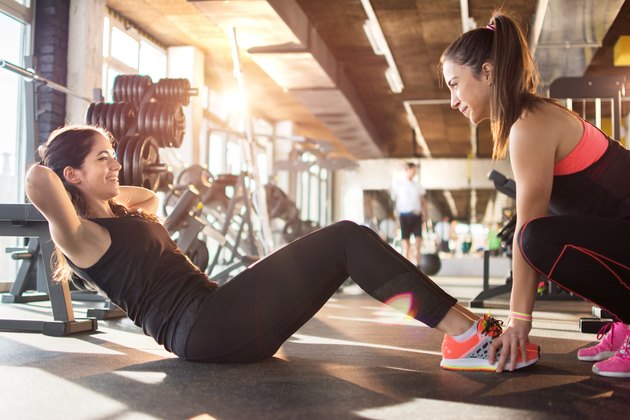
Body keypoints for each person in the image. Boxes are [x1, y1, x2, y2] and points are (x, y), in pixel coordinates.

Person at [25, 124, 539, 370]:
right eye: (102, 158)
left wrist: (98, 177)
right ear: (70, 174)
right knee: (344, 237)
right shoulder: (78, 235)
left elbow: (150, 194)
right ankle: (470, 335)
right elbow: (36, 179)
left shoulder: (118, 214)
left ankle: (472, 332)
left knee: (345, 247)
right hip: (204, 329)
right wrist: (62, 163)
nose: (116, 163)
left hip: (215, 320)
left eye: (115, 154)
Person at [441, 10, 630, 376]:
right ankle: (625, 317)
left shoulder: (530, 125)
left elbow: (530, 230)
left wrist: (518, 322)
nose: (452, 100)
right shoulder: (526, 121)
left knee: (535, 238)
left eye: (453, 84)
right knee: (539, 233)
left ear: (487, 72)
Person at [391, 162, 427, 266]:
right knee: (406, 242)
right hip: (404, 216)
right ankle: (407, 264)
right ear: (407, 170)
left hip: (416, 215)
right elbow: (397, 202)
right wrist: (397, 221)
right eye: (413, 170)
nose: (414, 173)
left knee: (418, 241)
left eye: (416, 171)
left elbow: (423, 201)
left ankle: (418, 263)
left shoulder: (418, 186)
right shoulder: (399, 184)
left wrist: (425, 215)